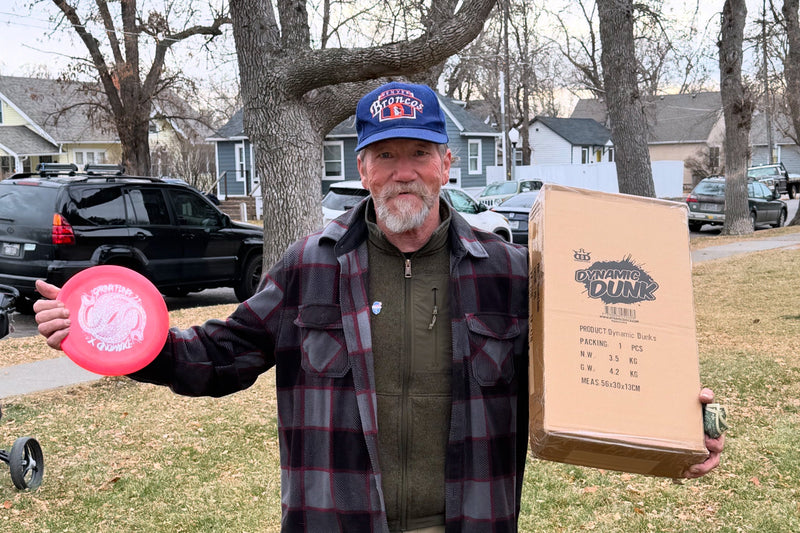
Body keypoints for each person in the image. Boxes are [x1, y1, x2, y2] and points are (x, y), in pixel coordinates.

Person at [33, 82, 724, 533]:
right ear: (361, 168)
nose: (402, 171)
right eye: (383, 155)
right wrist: (106, 336)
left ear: (446, 163)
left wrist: (678, 426)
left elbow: (592, 383)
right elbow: (215, 356)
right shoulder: (310, 266)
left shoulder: (512, 276)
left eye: (418, 153)